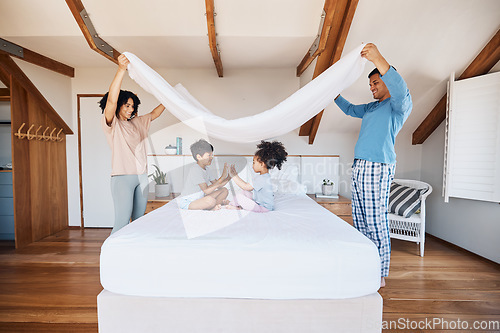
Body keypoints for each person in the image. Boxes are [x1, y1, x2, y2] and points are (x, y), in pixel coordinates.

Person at [334, 43, 412, 288]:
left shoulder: (398, 106)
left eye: (375, 83)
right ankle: (365, 263)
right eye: (370, 85)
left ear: (387, 82)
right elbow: (348, 109)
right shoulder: (372, 107)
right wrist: (332, 93)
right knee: (360, 218)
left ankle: (379, 272)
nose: (371, 88)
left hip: (378, 166)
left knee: (375, 219)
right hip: (360, 167)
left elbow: (401, 88)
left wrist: (377, 58)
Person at [100, 54, 166, 234]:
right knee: (122, 222)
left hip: (142, 177)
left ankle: (133, 254)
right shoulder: (112, 124)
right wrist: (121, 69)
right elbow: (111, 101)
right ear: (120, 105)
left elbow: (154, 113)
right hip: (122, 178)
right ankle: (112, 257)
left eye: (133, 106)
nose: (130, 109)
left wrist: (170, 97)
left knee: (139, 221)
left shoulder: (137, 123)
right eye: (127, 105)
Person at [228, 140, 288, 212]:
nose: (252, 165)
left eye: (254, 162)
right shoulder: (265, 176)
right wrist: (236, 175)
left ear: (262, 164)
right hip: (260, 204)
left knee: (239, 197)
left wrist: (234, 176)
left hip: (263, 209)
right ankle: (233, 204)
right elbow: (246, 188)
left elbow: (246, 186)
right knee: (244, 193)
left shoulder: (262, 179)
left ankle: (233, 206)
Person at [178, 139, 230, 210]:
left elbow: (219, 186)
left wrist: (228, 177)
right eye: (209, 155)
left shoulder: (207, 169)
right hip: (188, 202)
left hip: (200, 199)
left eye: (212, 155)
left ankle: (213, 206)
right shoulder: (195, 169)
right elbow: (206, 190)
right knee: (210, 200)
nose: (211, 157)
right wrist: (222, 177)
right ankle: (213, 206)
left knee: (224, 190)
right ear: (199, 157)